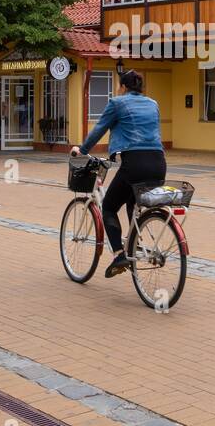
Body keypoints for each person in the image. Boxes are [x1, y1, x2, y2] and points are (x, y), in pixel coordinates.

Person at [69, 69, 164, 279]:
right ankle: (134, 242)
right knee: (132, 201)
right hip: (159, 163)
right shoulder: (153, 104)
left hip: (135, 163)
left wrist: (81, 150)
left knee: (110, 207)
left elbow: (100, 129)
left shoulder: (117, 103)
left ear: (123, 87)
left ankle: (119, 254)